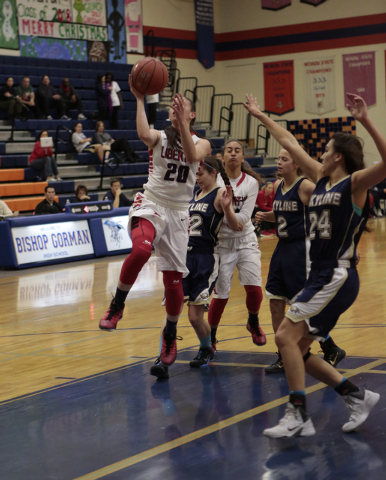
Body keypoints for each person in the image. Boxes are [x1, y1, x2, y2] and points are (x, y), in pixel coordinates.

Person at [244, 92, 383, 437]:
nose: (319, 151)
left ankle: (298, 414)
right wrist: (260, 115)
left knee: (284, 337)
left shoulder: (354, 185)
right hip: (319, 275)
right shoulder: (321, 177)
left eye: (325, 148)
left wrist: (365, 120)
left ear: (337, 156)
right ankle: (357, 395)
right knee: (298, 351)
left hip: (336, 274)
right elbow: (287, 139)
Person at [99, 75, 211, 373]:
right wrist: (138, 98)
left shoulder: (203, 143)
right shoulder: (160, 136)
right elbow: (142, 133)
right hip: (151, 203)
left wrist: (183, 125)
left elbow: (190, 155)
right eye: (172, 107)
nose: (175, 110)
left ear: (192, 114)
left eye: (180, 106)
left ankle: (170, 334)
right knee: (140, 252)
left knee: (173, 281)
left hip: (178, 213)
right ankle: (117, 304)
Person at [256, 148, 346, 375]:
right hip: (281, 248)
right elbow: (285, 214)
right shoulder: (277, 187)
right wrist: (267, 216)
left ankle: (331, 347)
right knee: (275, 303)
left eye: (284, 159)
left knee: (303, 307)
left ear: (296, 164)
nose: (278, 162)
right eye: (278, 158)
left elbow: (328, 211)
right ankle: (283, 355)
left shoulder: (306, 186)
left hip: (301, 250)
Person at [150, 156, 240, 379]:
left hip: (205, 258)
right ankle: (162, 357)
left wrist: (228, 209)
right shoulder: (191, 196)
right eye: (196, 173)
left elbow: (235, 225)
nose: (197, 176)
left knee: (194, 317)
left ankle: (206, 347)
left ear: (213, 173)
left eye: (201, 173)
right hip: (182, 259)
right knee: (172, 309)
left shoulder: (219, 194)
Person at [208, 140, 266, 353]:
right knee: (220, 295)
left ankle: (253, 320)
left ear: (243, 157)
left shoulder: (251, 182)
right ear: (221, 157)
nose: (233, 153)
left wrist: (226, 211)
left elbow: (243, 219)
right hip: (222, 243)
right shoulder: (214, 180)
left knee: (255, 290)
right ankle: (211, 339)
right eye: (228, 150)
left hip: (246, 240)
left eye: (237, 151)